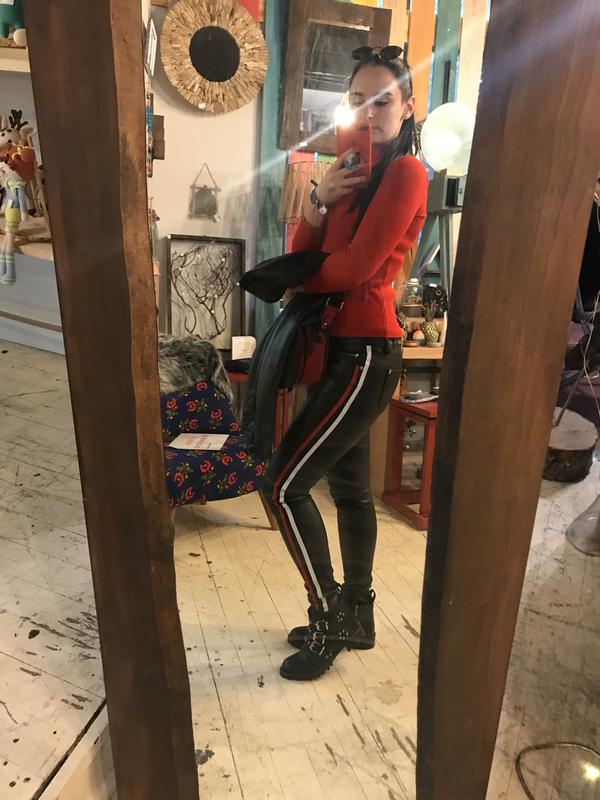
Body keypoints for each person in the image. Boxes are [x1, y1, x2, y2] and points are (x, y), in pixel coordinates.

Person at [261, 46, 429, 681]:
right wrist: (319, 197)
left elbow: (352, 270)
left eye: (383, 100)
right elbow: (301, 249)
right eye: (358, 99)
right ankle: (356, 615)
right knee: (350, 489)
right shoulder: (347, 170)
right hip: (338, 352)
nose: (369, 111)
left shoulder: (406, 172)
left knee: (282, 485)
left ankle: (328, 616)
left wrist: (299, 278)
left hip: (365, 356)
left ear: (406, 108)